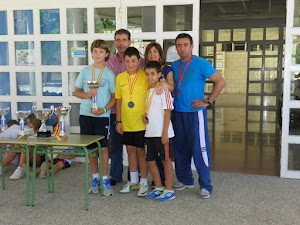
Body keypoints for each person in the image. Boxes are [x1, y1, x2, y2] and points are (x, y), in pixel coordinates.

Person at [171, 33, 226, 199]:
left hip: (195, 114)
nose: (182, 48)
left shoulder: (201, 63)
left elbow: (220, 81)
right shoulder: (174, 65)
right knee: (180, 148)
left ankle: (205, 185)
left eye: (185, 45)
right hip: (178, 112)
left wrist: (208, 101)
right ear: (176, 47)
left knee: (200, 149)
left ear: (192, 46)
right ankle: (185, 179)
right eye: (179, 45)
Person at [74, 39, 116, 197]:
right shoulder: (85, 71)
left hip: (102, 115)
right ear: (91, 53)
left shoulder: (109, 73)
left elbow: (114, 98)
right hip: (86, 114)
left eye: (101, 51)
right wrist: (87, 95)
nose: (97, 54)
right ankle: (95, 178)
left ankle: (105, 179)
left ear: (106, 54)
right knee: (91, 149)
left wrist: (105, 109)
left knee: (103, 148)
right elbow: (76, 91)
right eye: (95, 51)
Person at [105, 28, 145, 186]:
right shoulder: (109, 63)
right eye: (118, 40)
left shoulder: (140, 62)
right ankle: (115, 176)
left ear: (130, 42)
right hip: (116, 112)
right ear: (114, 42)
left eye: (124, 40)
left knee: (136, 148)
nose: (121, 43)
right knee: (115, 147)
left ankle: (135, 177)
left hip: (136, 115)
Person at [115, 47, 149, 197]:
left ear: (139, 61)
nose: (130, 64)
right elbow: (118, 100)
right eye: (127, 61)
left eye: (133, 61)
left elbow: (152, 95)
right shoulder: (120, 78)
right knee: (130, 151)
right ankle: (133, 181)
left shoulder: (145, 76)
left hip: (141, 122)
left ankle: (144, 182)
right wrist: (118, 121)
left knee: (141, 152)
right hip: (127, 122)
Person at [143, 61, 175, 201]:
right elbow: (152, 110)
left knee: (165, 161)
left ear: (159, 75)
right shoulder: (149, 91)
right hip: (149, 133)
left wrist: (164, 133)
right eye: (147, 74)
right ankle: (159, 187)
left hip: (162, 133)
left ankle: (169, 190)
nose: (150, 77)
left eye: (153, 74)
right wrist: (145, 116)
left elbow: (167, 111)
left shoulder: (164, 90)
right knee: (150, 161)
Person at [10, 114, 43, 180]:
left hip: (38, 157)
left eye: (30, 123)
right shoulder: (28, 132)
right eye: (27, 123)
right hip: (30, 155)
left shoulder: (41, 131)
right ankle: (2, 166)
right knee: (18, 145)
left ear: (35, 122)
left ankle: (20, 168)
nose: (28, 125)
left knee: (25, 146)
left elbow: (40, 146)